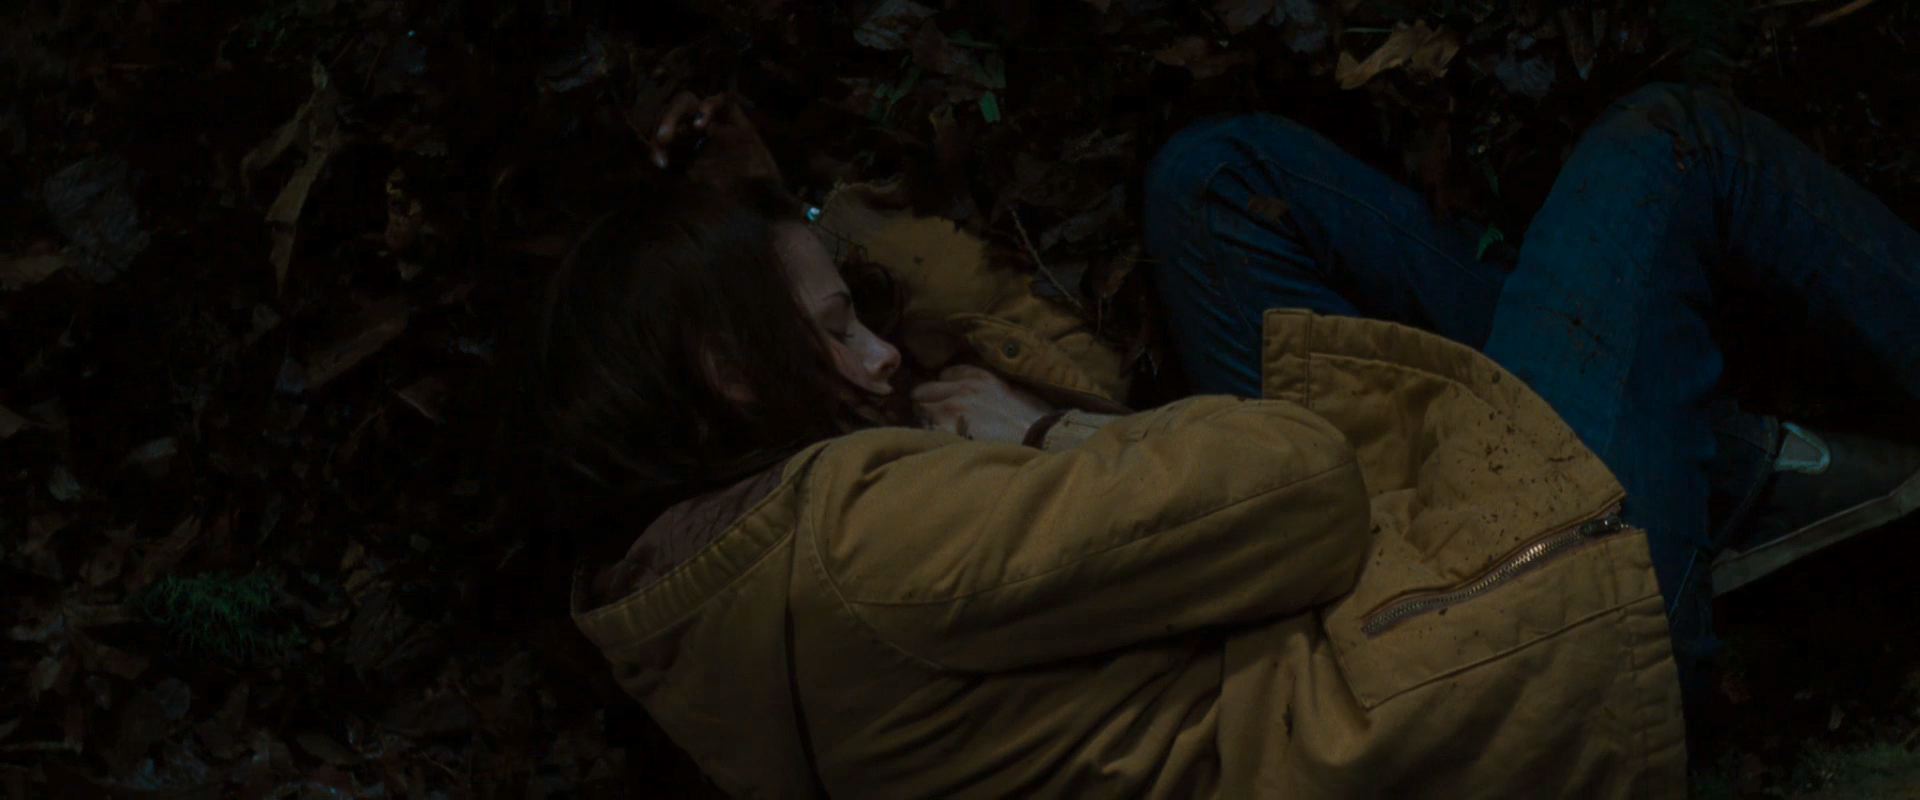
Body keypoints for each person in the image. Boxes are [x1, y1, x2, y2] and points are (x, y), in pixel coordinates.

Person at [544, 85, 1920, 797]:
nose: (883, 356)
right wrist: (1048, 436)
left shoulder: (736, 583)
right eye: (838, 328)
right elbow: (1307, 488)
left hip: (1321, 636)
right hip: (1482, 671)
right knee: (1670, 145)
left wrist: (797, 212)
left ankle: (1698, 451)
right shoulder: (869, 540)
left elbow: (1083, 376)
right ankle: (1683, 468)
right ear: (729, 371)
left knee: (1219, 181)